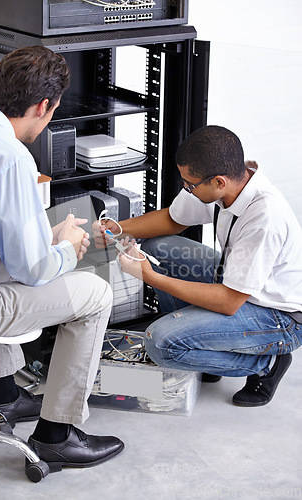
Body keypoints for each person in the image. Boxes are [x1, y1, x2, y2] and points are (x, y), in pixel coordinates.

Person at [0, 46, 124, 471]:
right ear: (44, 106)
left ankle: (6, 394)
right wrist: (68, 251)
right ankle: (57, 436)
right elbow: (32, 269)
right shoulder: (11, 155)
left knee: (0, 265)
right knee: (95, 293)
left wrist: (50, 237)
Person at [94, 125, 302, 407]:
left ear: (218, 182)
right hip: (239, 283)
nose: (186, 189)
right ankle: (199, 344)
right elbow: (173, 219)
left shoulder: (264, 219)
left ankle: (266, 364)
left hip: (277, 315)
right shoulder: (231, 184)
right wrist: (118, 229)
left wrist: (150, 276)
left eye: (190, 185)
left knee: (159, 343)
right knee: (159, 246)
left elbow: (229, 302)